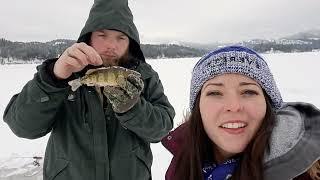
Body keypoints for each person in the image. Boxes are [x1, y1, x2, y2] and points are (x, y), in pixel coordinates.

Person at [3, 0, 175, 179]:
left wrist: (132, 107)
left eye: (121, 37)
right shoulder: (66, 72)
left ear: (130, 42)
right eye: (102, 35)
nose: (112, 45)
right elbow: (22, 126)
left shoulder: (143, 77)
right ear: (89, 37)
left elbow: (162, 128)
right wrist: (53, 80)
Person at [161, 45, 320, 180]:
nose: (234, 106)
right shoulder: (183, 163)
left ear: (269, 104)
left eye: (249, 92)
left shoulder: (308, 174)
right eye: (215, 93)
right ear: (198, 108)